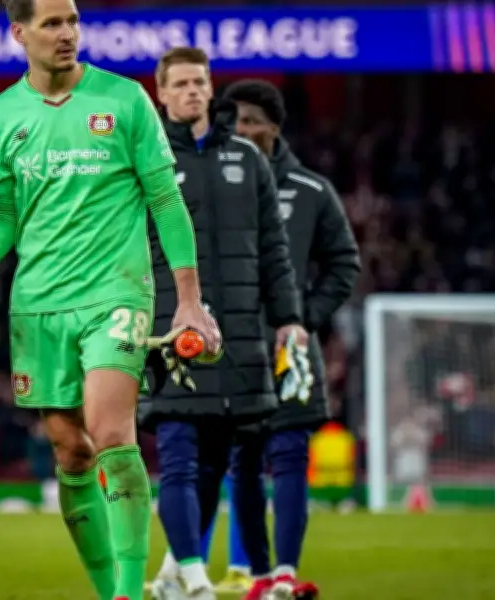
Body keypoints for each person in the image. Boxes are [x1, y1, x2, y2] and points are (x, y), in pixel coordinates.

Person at [0, 2, 220, 600]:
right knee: (70, 451)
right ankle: (109, 590)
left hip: (116, 294)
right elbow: (3, 218)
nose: (67, 33)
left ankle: (130, 593)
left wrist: (189, 302)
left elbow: (164, 201)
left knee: (110, 433)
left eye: (72, 20)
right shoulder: (1, 116)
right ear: (19, 32)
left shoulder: (125, 99)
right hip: (39, 304)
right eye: (52, 22)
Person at [138, 48, 311, 600]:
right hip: (171, 335)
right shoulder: (145, 162)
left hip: (238, 337)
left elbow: (274, 250)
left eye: (199, 82)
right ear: (161, 95)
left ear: (211, 89)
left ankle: (171, 575)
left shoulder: (248, 159)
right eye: (180, 84)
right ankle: (194, 579)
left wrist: (287, 320)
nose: (191, 91)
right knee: (180, 456)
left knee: (216, 464)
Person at [199, 79, 361, 600]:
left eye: (251, 121)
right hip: (231, 349)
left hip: (290, 350)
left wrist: (304, 318)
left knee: (290, 454)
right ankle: (261, 574)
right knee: (240, 460)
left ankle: (286, 572)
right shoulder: (210, 185)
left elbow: (343, 263)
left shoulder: (311, 191)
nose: (241, 130)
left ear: (274, 127)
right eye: (234, 121)